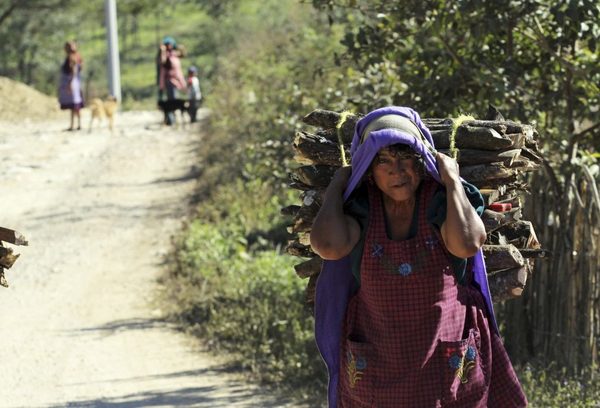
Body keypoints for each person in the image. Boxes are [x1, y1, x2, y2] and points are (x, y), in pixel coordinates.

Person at [310, 106, 527, 407]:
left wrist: (452, 181)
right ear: (368, 170)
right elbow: (328, 247)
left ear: (422, 159)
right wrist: (337, 185)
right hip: (378, 360)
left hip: (445, 354)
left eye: (406, 157)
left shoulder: (440, 201)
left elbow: (466, 244)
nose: (397, 170)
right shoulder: (362, 207)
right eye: (383, 161)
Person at [158, 36, 186, 125]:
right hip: (170, 81)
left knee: (175, 101)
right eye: (167, 44)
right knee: (172, 102)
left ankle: (172, 119)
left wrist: (181, 47)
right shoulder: (164, 55)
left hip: (177, 81)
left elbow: (182, 54)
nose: (169, 46)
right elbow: (163, 62)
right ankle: (171, 120)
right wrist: (163, 50)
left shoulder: (174, 54)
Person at [58, 41, 84, 131]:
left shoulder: (72, 58)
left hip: (72, 82)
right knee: (74, 106)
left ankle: (76, 125)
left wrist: (70, 83)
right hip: (75, 82)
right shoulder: (77, 56)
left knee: (74, 105)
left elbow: (73, 70)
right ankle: (75, 124)